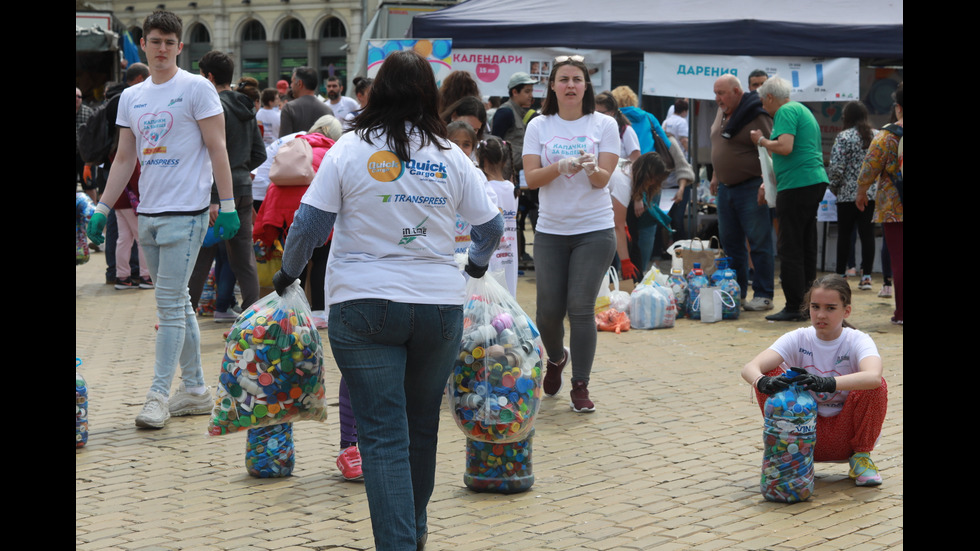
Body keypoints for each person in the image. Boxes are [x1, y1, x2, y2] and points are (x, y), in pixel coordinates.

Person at [272, 50, 503, 550]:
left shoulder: (350, 148)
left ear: (376, 92)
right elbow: (490, 227)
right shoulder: (450, 154)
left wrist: (287, 275)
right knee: (421, 429)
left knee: (382, 438)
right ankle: (413, 536)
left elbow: (309, 226)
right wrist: (478, 268)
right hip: (439, 309)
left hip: (362, 307)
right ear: (429, 96)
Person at [86, 10, 240, 429]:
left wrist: (226, 205)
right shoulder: (133, 98)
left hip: (186, 214)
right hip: (147, 214)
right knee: (179, 303)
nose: (161, 49)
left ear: (179, 47)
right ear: (146, 42)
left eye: (169, 43)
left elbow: (218, 148)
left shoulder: (197, 90)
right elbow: (123, 157)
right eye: (154, 41)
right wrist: (102, 207)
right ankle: (194, 390)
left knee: (168, 306)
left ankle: (157, 394)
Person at [522, 55, 620, 413]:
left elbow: (602, 182)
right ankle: (556, 357)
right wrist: (558, 167)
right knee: (548, 311)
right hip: (550, 230)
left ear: (586, 86)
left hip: (594, 229)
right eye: (563, 79)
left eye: (577, 79)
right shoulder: (539, 126)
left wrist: (593, 169)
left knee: (580, 308)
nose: (570, 85)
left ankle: (581, 384)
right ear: (552, 86)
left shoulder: (604, 124)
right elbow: (531, 179)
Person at [741, 274, 887, 486]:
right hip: (801, 435)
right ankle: (789, 457)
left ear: (846, 311)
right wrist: (762, 383)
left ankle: (861, 458)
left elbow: (873, 376)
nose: (820, 315)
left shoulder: (858, 340)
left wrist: (827, 383)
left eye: (830, 308)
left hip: (846, 436)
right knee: (769, 374)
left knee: (876, 386)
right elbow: (749, 368)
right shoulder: (798, 337)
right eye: (815, 306)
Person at [186, 50, 266, 322]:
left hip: (215, 193)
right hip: (243, 190)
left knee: (202, 256)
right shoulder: (245, 105)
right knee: (244, 259)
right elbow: (260, 153)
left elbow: (206, 155)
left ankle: (185, 317)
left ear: (208, 76)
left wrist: (214, 193)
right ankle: (254, 319)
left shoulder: (210, 106)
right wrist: (240, 170)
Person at [751, 76, 830, 322]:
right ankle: (809, 304)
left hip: (797, 185)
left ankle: (795, 305)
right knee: (805, 245)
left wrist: (761, 141)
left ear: (771, 97)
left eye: (763, 99)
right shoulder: (801, 110)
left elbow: (785, 147)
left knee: (791, 247)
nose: (763, 105)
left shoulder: (785, 110)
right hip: (811, 180)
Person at [710, 74, 776, 312]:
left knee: (758, 242)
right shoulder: (722, 111)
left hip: (750, 187)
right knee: (731, 244)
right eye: (715, 93)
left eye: (722, 93)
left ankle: (764, 294)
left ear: (737, 91)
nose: (717, 98)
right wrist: (716, 174)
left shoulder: (755, 113)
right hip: (726, 188)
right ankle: (735, 292)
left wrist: (765, 183)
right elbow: (720, 146)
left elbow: (772, 148)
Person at [856, 82, 903, 325]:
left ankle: (902, 312)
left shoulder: (887, 136)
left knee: (899, 260)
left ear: (898, 107)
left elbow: (869, 168)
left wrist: (861, 192)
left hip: (895, 208)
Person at [490, 72, 539, 270]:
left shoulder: (526, 113)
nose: (530, 95)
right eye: (526, 91)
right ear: (514, 92)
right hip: (507, 180)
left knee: (521, 218)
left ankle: (520, 255)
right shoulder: (505, 113)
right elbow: (494, 144)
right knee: (509, 220)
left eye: (531, 91)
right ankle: (506, 260)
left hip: (525, 177)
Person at [828, 101, 877, 290]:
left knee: (845, 235)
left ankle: (841, 275)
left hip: (847, 194)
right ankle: (866, 277)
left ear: (847, 117)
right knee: (868, 235)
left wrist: (834, 187)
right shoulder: (876, 135)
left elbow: (837, 167)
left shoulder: (844, 136)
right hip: (870, 194)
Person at [609, 153, 671, 282]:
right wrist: (626, 262)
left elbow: (618, 213)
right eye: (653, 180)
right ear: (647, 175)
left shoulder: (627, 167)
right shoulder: (624, 183)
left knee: (627, 244)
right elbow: (617, 226)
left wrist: (625, 227)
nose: (653, 184)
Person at [477, 135, 519, 297]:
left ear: (482, 160)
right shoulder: (511, 188)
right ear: (504, 160)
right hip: (509, 254)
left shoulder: (484, 187)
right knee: (507, 300)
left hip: (490, 255)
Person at [279, 66, 333, 137]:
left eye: (292, 82)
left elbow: (283, 142)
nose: (291, 86)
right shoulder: (327, 110)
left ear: (299, 83)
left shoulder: (289, 108)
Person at [595, 92, 640, 163]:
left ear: (612, 113)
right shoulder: (592, 130)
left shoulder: (626, 131)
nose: (596, 116)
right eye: (593, 113)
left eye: (600, 113)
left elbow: (636, 160)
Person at [76, 88, 96, 200]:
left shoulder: (89, 112)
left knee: (89, 184)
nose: (77, 99)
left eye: (79, 96)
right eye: (75, 96)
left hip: (86, 156)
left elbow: (96, 132)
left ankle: (92, 211)